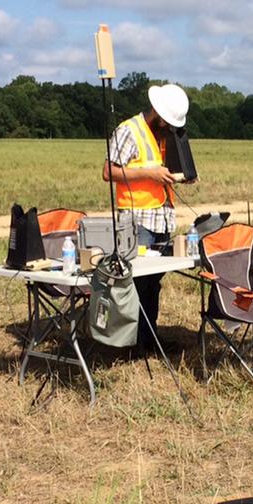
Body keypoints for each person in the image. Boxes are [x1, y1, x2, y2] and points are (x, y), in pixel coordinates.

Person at [102, 83, 190, 350]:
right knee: (137, 284)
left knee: (153, 284)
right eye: (167, 121)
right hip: (137, 221)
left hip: (162, 218)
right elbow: (109, 172)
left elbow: (160, 171)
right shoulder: (128, 130)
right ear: (157, 113)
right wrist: (149, 173)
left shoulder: (163, 135)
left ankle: (150, 339)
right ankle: (130, 343)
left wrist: (180, 176)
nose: (170, 127)